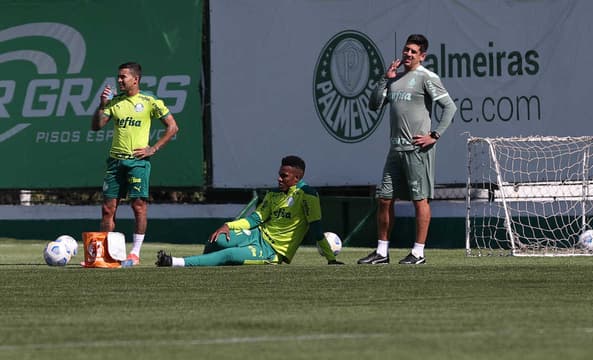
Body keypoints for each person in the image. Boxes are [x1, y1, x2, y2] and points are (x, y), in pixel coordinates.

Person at [357, 34, 457, 265]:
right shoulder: (395, 79)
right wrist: (385, 78)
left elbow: (450, 107)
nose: (408, 54)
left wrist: (434, 135)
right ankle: (382, 252)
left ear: (422, 56)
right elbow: (373, 105)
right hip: (395, 150)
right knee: (384, 199)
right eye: (406, 50)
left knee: (419, 201)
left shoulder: (427, 77)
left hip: (417, 150)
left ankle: (418, 253)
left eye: (413, 51)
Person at [156, 155, 344, 267]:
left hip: (272, 251)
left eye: (283, 176)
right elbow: (255, 219)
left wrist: (331, 260)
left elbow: (317, 229)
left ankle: (175, 262)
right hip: (257, 235)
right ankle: (203, 264)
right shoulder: (274, 194)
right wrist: (228, 225)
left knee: (229, 255)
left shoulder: (308, 195)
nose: (279, 179)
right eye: (279, 174)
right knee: (217, 239)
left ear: (297, 178)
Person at [91, 62, 179, 267]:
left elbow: (173, 127)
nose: (119, 80)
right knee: (107, 208)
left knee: (138, 206)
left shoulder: (149, 100)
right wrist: (102, 104)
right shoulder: (115, 101)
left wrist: (153, 149)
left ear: (135, 79)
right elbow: (97, 126)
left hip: (138, 163)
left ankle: (135, 253)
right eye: (118, 77)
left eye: (123, 77)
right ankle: (103, 255)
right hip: (115, 162)